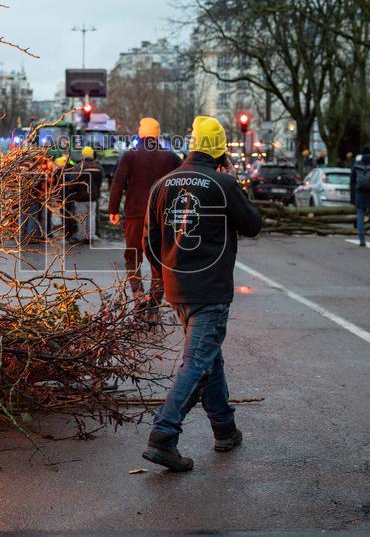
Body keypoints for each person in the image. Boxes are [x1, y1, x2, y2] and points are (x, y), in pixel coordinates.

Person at [141, 116, 262, 472]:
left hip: (178, 287)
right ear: (221, 149)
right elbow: (253, 224)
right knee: (196, 363)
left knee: (209, 358)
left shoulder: (162, 184)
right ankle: (163, 434)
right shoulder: (222, 182)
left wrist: (165, 274)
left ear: (192, 145)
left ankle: (225, 428)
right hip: (210, 289)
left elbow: (150, 241)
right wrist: (235, 185)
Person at [108, 117, 182, 307]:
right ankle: (154, 301)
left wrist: (113, 210)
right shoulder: (171, 157)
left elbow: (117, 184)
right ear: (157, 134)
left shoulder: (130, 155)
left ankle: (138, 295)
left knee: (133, 256)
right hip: (162, 217)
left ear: (140, 133)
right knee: (159, 259)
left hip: (135, 215)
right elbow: (184, 181)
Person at [66, 146, 103, 243]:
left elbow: (72, 181)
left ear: (83, 155)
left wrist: (72, 192)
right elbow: (100, 182)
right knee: (91, 217)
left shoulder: (79, 166)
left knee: (82, 218)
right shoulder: (98, 167)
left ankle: (82, 236)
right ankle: (90, 237)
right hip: (93, 197)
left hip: (80, 197)